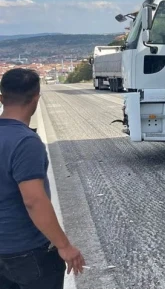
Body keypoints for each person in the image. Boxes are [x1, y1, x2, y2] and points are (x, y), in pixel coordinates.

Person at [0, 68, 85, 289]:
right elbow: (34, 201)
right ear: (36, 98)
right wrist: (64, 246)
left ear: (1, 98)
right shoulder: (25, 142)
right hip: (26, 251)